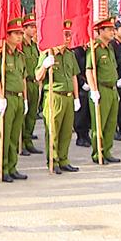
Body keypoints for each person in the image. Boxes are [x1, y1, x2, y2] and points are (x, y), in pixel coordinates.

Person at [35, 20, 81, 174]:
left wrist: (76, 98)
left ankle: (64, 159)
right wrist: (44, 65)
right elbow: (38, 77)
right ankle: (53, 160)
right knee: (53, 130)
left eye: (70, 35)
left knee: (67, 131)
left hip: (68, 97)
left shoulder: (70, 54)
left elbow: (74, 76)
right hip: (54, 95)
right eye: (65, 35)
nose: (68, 38)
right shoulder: (47, 53)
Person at [0, 17, 28, 180]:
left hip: (18, 98)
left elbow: (23, 78)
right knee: (4, 135)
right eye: (15, 33)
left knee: (14, 135)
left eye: (20, 33)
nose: (19, 36)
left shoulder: (20, 56)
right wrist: (0, 97)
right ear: (7, 35)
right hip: (7, 99)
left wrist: (25, 99)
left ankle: (12, 166)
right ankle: (2, 167)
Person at [87, 17, 121, 163]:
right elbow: (89, 70)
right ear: (100, 31)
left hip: (112, 89)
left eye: (113, 29)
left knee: (111, 123)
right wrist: (94, 90)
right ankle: (98, 153)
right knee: (99, 124)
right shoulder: (95, 49)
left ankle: (107, 150)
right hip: (101, 89)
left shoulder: (110, 48)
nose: (112, 32)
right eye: (109, 30)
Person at [19, 14, 42, 156]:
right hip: (24, 82)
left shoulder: (34, 46)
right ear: (24, 28)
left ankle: (28, 141)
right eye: (31, 27)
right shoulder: (20, 46)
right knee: (22, 115)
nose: (34, 29)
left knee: (32, 114)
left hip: (34, 83)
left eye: (35, 26)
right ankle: (20, 143)